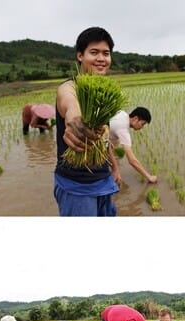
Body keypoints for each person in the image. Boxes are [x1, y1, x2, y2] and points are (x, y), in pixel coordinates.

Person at [54, 26, 121, 216]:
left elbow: (104, 137)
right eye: (94, 52)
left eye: (106, 53)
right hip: (77, 186)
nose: (101, 58)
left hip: (103, 180)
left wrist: (114, 168)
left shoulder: (103, 93)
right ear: (80, 56)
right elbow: (69, 102)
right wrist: (74, 120)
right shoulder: (70, 87)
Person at [109, 107, 158, 183]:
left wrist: (115, 168)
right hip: (91, 142)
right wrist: (149, 177)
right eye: (142, 124)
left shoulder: (122, 113)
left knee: (113, 147)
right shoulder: (123, 130)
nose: (142, 127)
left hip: (96, 136)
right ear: (135, 118)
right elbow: (132, 161)